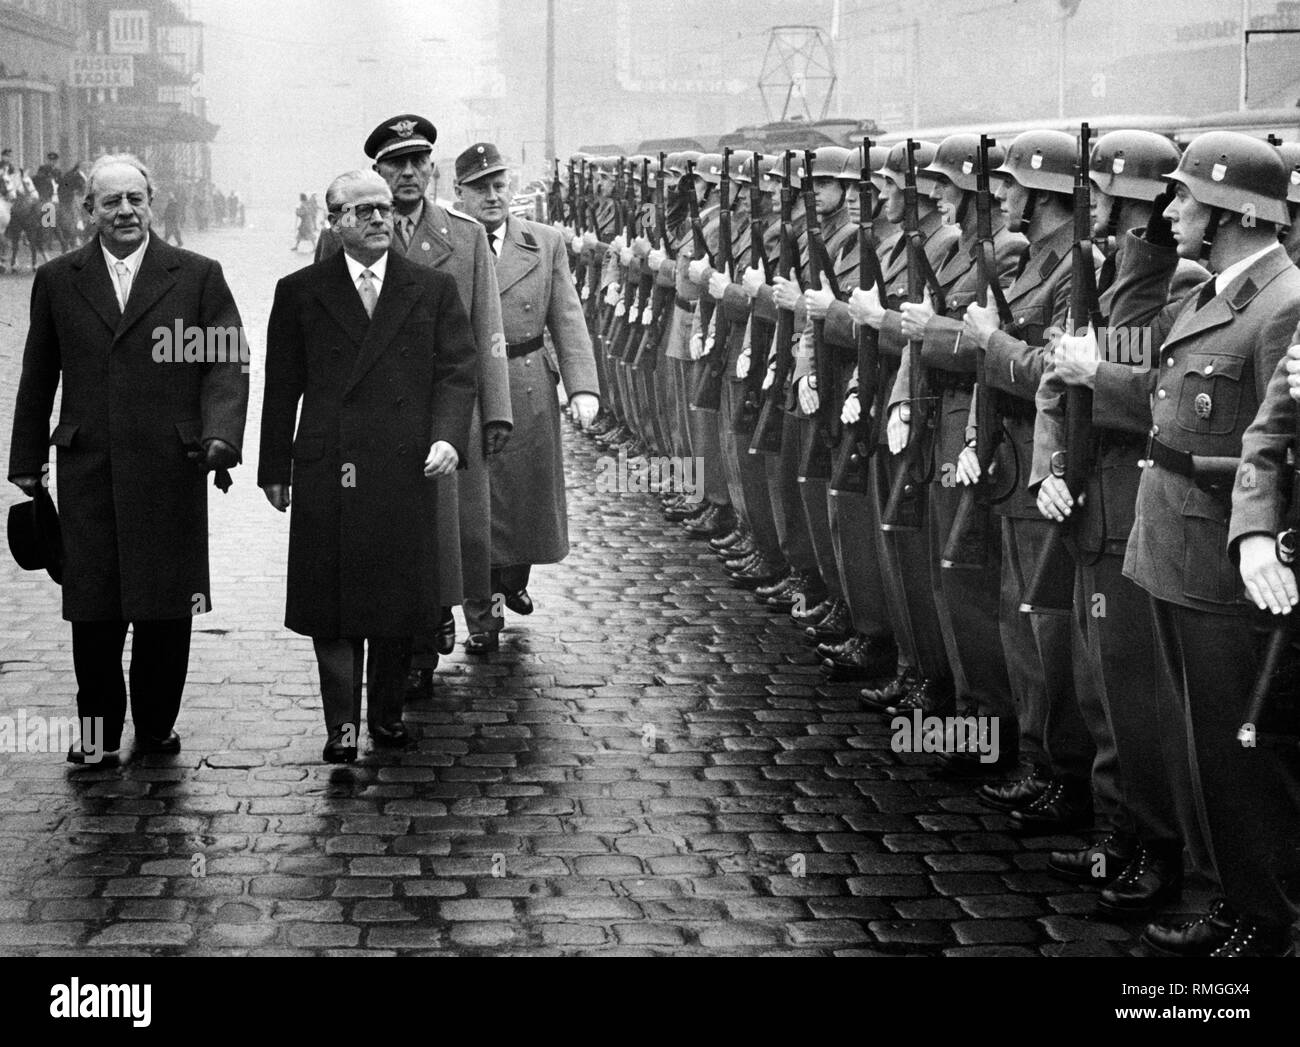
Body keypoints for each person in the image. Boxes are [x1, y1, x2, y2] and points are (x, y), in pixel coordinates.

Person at [1096, 131, 1300, 957]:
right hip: (1175, 547)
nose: (1169, 209)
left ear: (1231, 214)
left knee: (1240, 754)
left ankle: (1267, 917)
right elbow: (1140, 353)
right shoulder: (1212, 292)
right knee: (1198, 745)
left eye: (1183, 199)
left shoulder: (1283, 303)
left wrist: (1259, 536)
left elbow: (1277, 441)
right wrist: (1146, 246)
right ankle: (1233, 898)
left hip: (1226, 560)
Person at [6, 153, 248, 766]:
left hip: (172, 466)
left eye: (135, 199)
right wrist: (26, 458)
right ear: (89, 209)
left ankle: (157, 722)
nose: (124, 211)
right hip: (88, 467)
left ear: (153, 201)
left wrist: (220, 433)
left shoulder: (194, 275)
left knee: (169, 604)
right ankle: (96, 735)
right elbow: (39, 373)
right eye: (110, 201)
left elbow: (225, 361)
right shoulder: (61, 278)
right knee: (92, 610)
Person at [259, 170, 479, 763]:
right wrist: (274, 467)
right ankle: (341, 728)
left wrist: (448, 438)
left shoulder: (429, 289)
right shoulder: (300, 290)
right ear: (335, 222)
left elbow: (458, 371)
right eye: (362, 211)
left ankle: (384, 714)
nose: (379, 218)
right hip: (329, 463)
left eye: (383, 208)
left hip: (404, 464)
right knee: (330, 603)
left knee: (394, 597)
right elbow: (281, 387)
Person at [316, 114, 511, 685]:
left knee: (451, 534)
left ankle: (432, 633)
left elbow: (487, 331)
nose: (408, 173)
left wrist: (495, 409)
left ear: (433, 167)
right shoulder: (341, 236)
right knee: (385, 533)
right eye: (394, 163)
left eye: (418, 161)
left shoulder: (465, 236)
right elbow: (323, 325)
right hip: (373, 417)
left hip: (447, 411)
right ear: (375, 170)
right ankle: (412, 645)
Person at [453, 142, 600, 625]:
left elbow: (567, 314)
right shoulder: (448, 243)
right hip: (467, 385)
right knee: (476, 500)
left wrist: (582, 386)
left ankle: (511, 581)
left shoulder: (544, 241)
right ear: (459, 193)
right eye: (480, 189)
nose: (492, 197)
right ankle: (482, 612)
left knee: (524, 501)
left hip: (527, 381)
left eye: (499, 186)